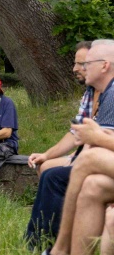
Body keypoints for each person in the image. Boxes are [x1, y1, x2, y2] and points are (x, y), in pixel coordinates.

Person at [9, 40, 113, 255]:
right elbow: (80, 134)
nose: (80, 68)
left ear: (105, 65)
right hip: (91, 160)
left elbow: (95, 141)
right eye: (79, 63)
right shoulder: (97, 92)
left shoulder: (112, 92)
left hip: (90, 157)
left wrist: (95, 139)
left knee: (79, 163)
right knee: (67, 174)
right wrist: (48, 154)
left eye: (86, 63)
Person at [26, 41, 95, 175]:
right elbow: (76, 133)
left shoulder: (110, 92)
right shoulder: (89, 92)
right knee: (44, 165)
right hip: (88, 153)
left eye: (81, 64)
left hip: (102, 159)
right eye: (75, 63)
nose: (75, 69)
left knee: (51, 172)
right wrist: (46, 155)